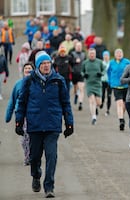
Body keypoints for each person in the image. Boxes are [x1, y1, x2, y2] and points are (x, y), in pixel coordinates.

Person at [15, 51, 74, 198]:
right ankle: (36, 175)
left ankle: (49, 186)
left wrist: (69, 124)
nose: (46, 66)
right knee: (34, 157)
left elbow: (66, 104)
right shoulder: (29, 81)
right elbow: (22, 103)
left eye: (48, 63)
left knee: (51, 156)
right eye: (43, 63)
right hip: (34, 125)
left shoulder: (59, 81)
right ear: (37, 66)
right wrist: (18, 122)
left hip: (52, 125)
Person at [5, 62, 35, 165]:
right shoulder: (18, 84)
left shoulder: (36, 84)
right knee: (24, 139)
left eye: (30, 68)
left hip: (33, 114)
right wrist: (8, 116)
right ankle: (28, 156)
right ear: (23, 71)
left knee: (32, 137)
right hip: (21, 114)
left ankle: (31, 157)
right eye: (26, 68)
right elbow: (12, 101)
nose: (28, 70)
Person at [107, 48, 130, 131]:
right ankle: (121, 120)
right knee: (119, 103)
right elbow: (109, 72)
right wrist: (110, 82)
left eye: (120, 53)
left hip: (126, 86)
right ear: (115, 55)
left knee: (124, 104)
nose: (119, 54)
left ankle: (122, 116)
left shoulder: (127, 62)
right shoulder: (111, 63)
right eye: (117, 53)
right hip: (116, 85)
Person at [81, 48, 105, 125]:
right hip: (89, 84)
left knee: (99, 102)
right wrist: (84, 75)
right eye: (90, 54)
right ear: (88, 54)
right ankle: (94, 117)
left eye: (93, 54)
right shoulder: (85, 63)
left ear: (95, 54)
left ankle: (96, 108)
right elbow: (82, 71)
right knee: (92, 100)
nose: (92, 55)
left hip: (97, 84)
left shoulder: (99, 62)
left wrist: (101, 73)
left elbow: (104, 70)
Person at [70, 42, 86, 110]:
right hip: (74, 73)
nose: (79, 47)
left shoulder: (84, 54)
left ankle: (80, 103)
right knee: (75, 88)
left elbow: (86, 63)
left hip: (81, 73)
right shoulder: (72, 54)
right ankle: (76, 95)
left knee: (81, 88)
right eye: (77, 46)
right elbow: (69, 62)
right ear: (75, 47)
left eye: (80, 46)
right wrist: (75, 61)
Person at [100, 50, 112, 116]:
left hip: (109, 82)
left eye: (107, 55)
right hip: (102, 81)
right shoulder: (101, 63)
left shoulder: (111, 63)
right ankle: (101, 103)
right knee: (102, 94)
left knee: (109, 96)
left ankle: (108, 110)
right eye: (105, 55)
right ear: (103, 56)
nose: (106, 57)